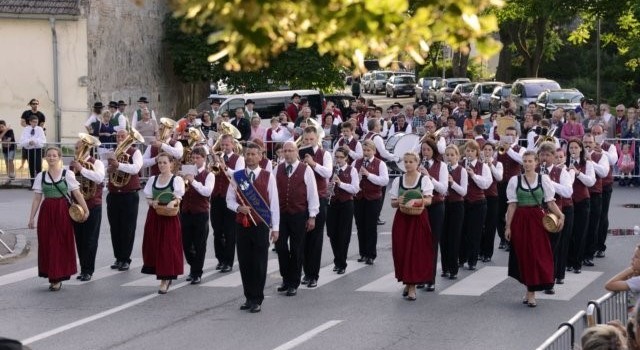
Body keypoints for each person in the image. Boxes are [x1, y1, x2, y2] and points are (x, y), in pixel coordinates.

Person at [506, 150, 564, 307]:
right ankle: (529, 290)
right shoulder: (515, 180)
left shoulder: (543, 179)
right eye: (525, 161)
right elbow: (512, 205)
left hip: (537, 221)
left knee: (537, 255)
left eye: (530, 161)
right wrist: (508, 227)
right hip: (520, 220)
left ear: (536, 163)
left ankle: (531, 292)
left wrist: (561, 215)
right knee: (524, 256)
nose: (527, 164)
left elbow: (550, 202)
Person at [227, 142, 280, 313]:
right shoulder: (237, 176)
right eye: (247, 154)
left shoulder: (267, 176)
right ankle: (248, 297)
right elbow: (229, 200)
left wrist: (275, 227)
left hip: (260, 225)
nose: (249, 157)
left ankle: (257, 298)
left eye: (253, 154)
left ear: (260, 156)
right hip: (241, 223)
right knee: (244, 261)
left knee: (259, 262)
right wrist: (238, 208)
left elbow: (274, 204)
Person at [28, 147, 89, 291]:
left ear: (59, 158)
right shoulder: (40, 176)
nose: (51, 158)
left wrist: (85, 210)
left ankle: (58, 275)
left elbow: (77, 194)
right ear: (45, 158)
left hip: (62, 211)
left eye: (54, 156)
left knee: (60, 242)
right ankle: (52, 275)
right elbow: (37, 198)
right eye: (49, 156)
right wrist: (31, 218)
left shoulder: (67, 174)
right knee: (48, 243)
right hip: (46, 211)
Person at [275, 141, 319, 296]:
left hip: (299, 214)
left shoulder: (305, 170)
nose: (287, 153)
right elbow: (273, 193)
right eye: (284, 151)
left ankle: (293, 282)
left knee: (296, 248)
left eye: (290, 150)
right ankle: (286, 277)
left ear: (296, 152)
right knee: (280, 247)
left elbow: (312, 194)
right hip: (281, 214)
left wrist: (312, 216)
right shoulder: (277, 169)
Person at [389, 152, 434, 301]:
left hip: (418, 219)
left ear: (417, 163)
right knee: (401, 251)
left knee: (415, 252)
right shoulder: (398, 180)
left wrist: (416, 200)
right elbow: (393, 203)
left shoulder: (424, 179)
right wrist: (400, 200)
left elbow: (428, 200)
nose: (407, 164)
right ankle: (407, 282)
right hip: (402, 219)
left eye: (410, 162)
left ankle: (412, 286)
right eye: (406, 162)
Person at [142, 152, 185, 294]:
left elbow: (178, 198)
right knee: (154, 245)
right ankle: (161, 272)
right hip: (155, 215)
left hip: (169, 216)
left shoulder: (176, 180)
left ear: (171, 164)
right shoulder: (153, 179)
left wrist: (173, 201)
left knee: (167, 247)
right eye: (159, 163)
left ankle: (165, 279)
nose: (161, 165)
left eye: (164, 163)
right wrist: (152, 202)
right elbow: (148, 197)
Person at [300, 127, 333, 288]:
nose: (307, 142)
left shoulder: (324, 154)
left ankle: (313, 275)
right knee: (303, 238)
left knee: (315, 238)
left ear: (317, 139)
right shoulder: (298, 153)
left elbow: (328, 173)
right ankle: (306, 272)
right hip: (302, 200)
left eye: (311, 139)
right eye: (305, 139)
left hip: (319, 198)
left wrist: (313, 164)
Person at [106, 129, 143, 271]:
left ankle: (126, 258)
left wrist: (119, 165)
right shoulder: (111, 152)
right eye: (118, 136)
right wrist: (109, 168)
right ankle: (118, 258)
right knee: (115, 227)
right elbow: (103, 169)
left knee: (128, 228)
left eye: (123, 136)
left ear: (128, 137)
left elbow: (136, 168)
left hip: (129, 194)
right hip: (114, 194)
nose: (120, 138)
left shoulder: (135, 152)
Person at [69, 138, 106, 281]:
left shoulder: (96, 163)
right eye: (76, 147)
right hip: (77, 205)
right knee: (79, 238)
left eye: (79, 147)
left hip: (93, 204)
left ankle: (88, 270)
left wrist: (81, 169)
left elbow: (99, 178)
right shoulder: (72, 164)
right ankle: (83, 268)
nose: (76, 150)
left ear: (87, 148)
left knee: (90, 239)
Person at [180, 146, 215, 284]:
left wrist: (193, 181)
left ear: (204, 159)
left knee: (200, 244)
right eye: (193, 158)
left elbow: (207, 192)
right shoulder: (186, 172)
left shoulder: (209, 174)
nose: (194, 160)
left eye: (197, 158)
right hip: (186, 212)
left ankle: (196, 272)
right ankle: (193, 267)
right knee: (186, 244)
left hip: (201, 213)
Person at [210, 134, 245, 272]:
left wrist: (225, 168)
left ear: (233, 145)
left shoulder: (239, 159)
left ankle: (228, 261)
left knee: (230, 232)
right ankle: (220, 259)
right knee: (217, 231)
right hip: (216, 197)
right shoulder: (216, 157)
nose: (224, 147)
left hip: (230, 198)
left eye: (227, 145)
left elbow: (239, 175)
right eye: (222, 145)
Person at [353, 140, 390, 264]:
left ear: (374, 151)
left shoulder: (380, 164)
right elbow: (352, 179)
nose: (366, 153)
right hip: (359, 198)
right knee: (360, 226)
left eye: (368, 150)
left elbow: (384, 181)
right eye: (364, 150)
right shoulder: (356, 162)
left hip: (373, 198)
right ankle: (363, 253)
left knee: (370, 226)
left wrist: (368, 175)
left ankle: (371, 254)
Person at [418, 138, 447, 291]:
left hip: (436, 206)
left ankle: (431, 278)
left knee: (432, 242)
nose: (425, 153)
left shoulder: (441, 165)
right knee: (420, 243)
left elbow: (443, 189)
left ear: (434, 151)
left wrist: (429, 177)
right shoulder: (417, 165)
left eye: (428, 150)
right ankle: (421, 277)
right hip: (420, 207)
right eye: (423, 150)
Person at [326, 148, 360, 275]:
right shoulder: (332, 170)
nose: (338, 160)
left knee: (343, 234)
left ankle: (342, 263)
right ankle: (337, 259)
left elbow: (355, 189)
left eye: (341, 157)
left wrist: (340, 184)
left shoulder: (352, 170)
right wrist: (329, 189)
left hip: (346, 204)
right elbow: (327, 188)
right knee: (332, 233)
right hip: (333, 204)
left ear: (346, 158)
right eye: (337, 157)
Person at [460, 140, 492, 270]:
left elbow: (486, 184)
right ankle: (461, 258)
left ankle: (472, 260)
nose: (469, 153)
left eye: (472, 151)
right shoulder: (460, 165)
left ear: (477, 153)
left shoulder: (482, 166)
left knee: (475, 232)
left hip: (478, 202)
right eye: (467, 150)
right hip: (463, 202)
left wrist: (473, 175)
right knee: (462, 232)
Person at [566, 139, 596, 274]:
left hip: (583, 200)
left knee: (580, 232)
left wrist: (578, 173)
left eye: (575, 148)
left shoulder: (587, 164)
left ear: (581, 149)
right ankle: (568, 261)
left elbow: (591, 182)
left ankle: (577, 263)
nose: (573, 150)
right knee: (569, 232)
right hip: (568, 202)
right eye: (571, 148)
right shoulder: (564, 163)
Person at [582, 133, 610, 267]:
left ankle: (589, 254)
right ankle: (578, 254)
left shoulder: (601, 156)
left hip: (595, 194)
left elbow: (603, 173)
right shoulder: (577, 154)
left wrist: (590, 161)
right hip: (580, 195)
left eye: (590, 142)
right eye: (585, 142)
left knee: (593, 225)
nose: (587, 144)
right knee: (581, 226)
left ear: (594, 144)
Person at [495, 126, 524, 251]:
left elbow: (521, 160)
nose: (509, 137)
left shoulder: (521, 149)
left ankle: (514, 239)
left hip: (515, 184)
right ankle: (503, 239)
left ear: (516, 136)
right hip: (501, 183)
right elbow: (494, 160)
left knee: (514, 212)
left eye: (511, 134)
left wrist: (509, 150)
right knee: (499, 213)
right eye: (507, 134)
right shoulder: (499, 147)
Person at [479, 142, 503, 263]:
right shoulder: (479, 164)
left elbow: (499, 177)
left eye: (489, 150)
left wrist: (490, 165)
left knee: (490, 226)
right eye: (485, 149)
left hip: (492, 196)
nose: (487, 152)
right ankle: (480, 250)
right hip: (480, 196)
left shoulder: (498, 164)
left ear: (493, 152)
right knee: (480, 225)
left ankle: (488, 253)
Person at [19, 115, 46, 185]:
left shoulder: (40, 129)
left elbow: (43, 140)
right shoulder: (26, 129)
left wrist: (35, 142)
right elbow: (22, 140)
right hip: (29, 150)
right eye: (33, 122)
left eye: (36, 122)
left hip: (37, 150)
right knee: (31, 166)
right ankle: (33, 183)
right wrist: (28, 142)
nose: (35, 123)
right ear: (30, 122)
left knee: (38, 166)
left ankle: (39, 183)